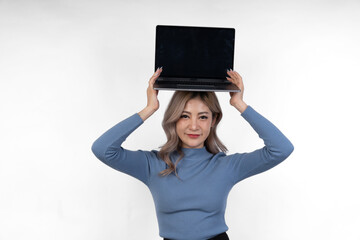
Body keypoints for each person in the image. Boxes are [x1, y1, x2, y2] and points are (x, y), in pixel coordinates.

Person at [91, 67, 294, 240]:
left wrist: (239, 104)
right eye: (184, 116)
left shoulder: (226, 166)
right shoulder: (152, 164)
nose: (194, 126)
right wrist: (149, 108)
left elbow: (281, 149)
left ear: (213, 121)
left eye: (203, 117)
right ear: (173, 119)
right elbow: (103, 149)